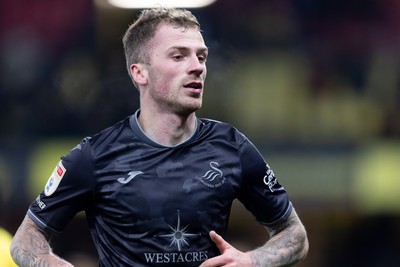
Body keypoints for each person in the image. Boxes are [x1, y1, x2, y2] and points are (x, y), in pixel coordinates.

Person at [10, 7, 308, 267]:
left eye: (201, 56)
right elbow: (25, 238)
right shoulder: (94, 156)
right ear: (140, 73)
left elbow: (295, 235)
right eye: (178, 55)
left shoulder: (231, 147)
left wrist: (252, 261)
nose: (197, 67)